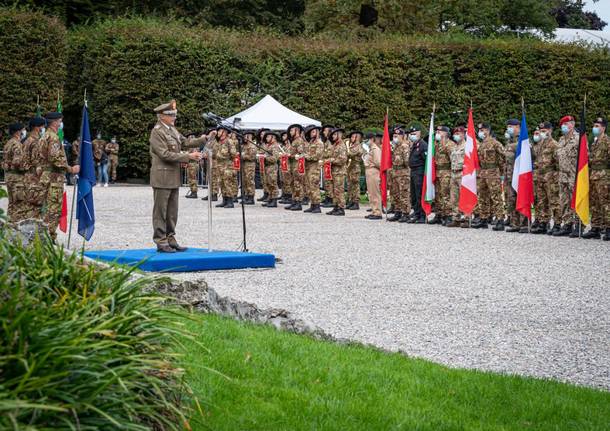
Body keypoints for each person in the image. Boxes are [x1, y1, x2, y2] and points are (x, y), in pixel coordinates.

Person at [149, 100, 204, 253]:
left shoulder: (172, 129)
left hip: (173, 177)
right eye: (170, 114)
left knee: (172, 212)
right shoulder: (157, 132)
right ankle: (161, 240)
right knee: (161, 211)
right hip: (162, 177)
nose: (174, 117)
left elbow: (185, 142)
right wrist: (188, 156)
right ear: (161, 116)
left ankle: (171, 238)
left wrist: (204, 139)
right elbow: (164, 154)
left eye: (174, 114)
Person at [38, 112, 80, 240]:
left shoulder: (44, 136)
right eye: (60, 120)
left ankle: (43, 236)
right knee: (53, 210)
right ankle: (48, 239)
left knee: (46, 209)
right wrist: (71, 169)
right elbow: (55, 159)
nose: (61, 123)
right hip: (53, 178)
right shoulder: (53, 138)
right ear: (55, 122)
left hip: (46, 177)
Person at [583, 116, 609, 240]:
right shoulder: (594, 142)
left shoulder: (607, 141)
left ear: (603, 128)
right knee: (594, 203)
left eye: (597, 126)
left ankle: (608, 228)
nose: (594, 128)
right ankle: (596, 227)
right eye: (594, 126)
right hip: (593, 176)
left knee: (605, 203)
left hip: (604, 177)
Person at [475, 123, 505, 229]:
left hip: (493, 173)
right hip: (483, 173)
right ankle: (484, 218)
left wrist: (501, 171)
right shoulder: (481, 144)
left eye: (483, 130)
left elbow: (504, 156)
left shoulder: (495, 143)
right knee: (482, 197)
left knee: (496, 197)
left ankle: (500, 219)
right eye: (479, 130)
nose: (481, 132)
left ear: (488, 130)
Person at [531, 122, 559, 235]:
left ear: (550, 131)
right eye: (541, 131)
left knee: (553, 201)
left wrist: (555, 176)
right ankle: (543, 222)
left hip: (550, 176)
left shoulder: (554, 145)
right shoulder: (540, 144)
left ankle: (557, 224)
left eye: (544, 131)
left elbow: (558, 163)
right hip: (539, 176)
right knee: (541, 201)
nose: (542, 133)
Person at [553, 115, 580, 237]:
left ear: (572, 124)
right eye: (563, 124)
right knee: (564, 201)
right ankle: (568, 224)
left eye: (567, 124)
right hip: (562, 176)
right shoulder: (561, 140)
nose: (564, 126)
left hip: (574, 175)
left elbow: (585, 157)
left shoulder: (579, 139)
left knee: (576, 200)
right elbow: (556, 156)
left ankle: (579, 225)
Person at [22, 116, 47, 220]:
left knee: (28, 208)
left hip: (27, 177)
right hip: (34, 179)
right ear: (37, 127)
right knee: (35, 211)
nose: (43, 129)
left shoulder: (26, 140)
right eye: (42, 126)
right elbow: (37, 163)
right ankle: (33, 235)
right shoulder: (35, 141)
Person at [2, 122, 27, 222]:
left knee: (12, 204)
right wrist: (27, 167)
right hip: (17, 178)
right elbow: (18, 162)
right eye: (22, 130)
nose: (24, 132)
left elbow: (5, 162)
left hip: (9, 177)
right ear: (18, 132)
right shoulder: (17, 144)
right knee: (19, 205)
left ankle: (9, 227)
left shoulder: (8, 143)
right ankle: (14, 230)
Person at [503, 119, 524, 232]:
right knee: (511, 199)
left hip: (520, 176)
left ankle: (524, 223)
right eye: (508, 126)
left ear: (518, 127)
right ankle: (515, 223)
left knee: (520, 198)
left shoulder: (523, 140)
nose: (509, 128)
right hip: (510, 176)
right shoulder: (509, 141)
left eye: (511, 126)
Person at [388, 128, 410, 222]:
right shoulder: (395, 146)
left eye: (397, 136)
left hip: (403, 173)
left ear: (402, 136)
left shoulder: (404, 146)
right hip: (395, 173)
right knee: (395, 194)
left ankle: (405, 213)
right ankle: (397, 212)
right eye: (394, 136)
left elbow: (407, 161)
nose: (395, 138)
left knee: (404, 194)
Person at [433, 126, 453, 225]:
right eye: (437, 131)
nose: (437, 133)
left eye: (439, 131)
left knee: (446, 195)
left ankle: (448, 215)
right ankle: (439, 214)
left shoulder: (450, 145)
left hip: (446, 173)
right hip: (437, 173)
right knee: (438, 195)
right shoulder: (437, 144)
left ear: (445, 133)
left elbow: (452, 160)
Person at [406, 124, 427, 223]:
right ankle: (416, 213)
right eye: (411, 134)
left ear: (419, 134)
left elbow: (426, 160)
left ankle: (422, 215)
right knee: (413, 194)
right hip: (413, 171)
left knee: (419, 194)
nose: (412, 135)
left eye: (414, 134)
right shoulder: (415, 144)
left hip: (420, 172)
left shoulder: (423, 145)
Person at [446, 126, 466, 227]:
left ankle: (466, 218)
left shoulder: (467, 146)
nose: (456, 136)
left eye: (459, 134)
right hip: (453, 173)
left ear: (463, 134)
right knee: (454, 197)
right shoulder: (454, 146)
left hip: (463, 173)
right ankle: (456, 218)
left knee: (464, 196)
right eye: (455, 134)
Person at [301, 125, 324, 213]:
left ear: (318, 132)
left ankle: (317, 205)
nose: (311, 133)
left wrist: (305, 156)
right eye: (311, 132)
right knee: (309, 186)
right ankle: (313, 204)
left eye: (313, 132)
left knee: (314, 186)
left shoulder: (319, 143)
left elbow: (316, 156)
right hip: (308, 167)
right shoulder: (311, 142)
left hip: (314, 168)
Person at [325, 128, 348, 215]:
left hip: (339, 172)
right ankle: (336, 207)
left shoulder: (342, 145)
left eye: (335, 135)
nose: (333, 136)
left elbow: (343, 160)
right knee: (334, 190)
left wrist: (331, 160)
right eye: (333, 135)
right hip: (333, 171)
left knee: (339, 190)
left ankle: (341, 208)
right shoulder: (335, 145)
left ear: (339, 135)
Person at [285, 124, 307, 211]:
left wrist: (291, 155)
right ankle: (294, 200)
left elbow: (301, 153)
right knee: (293, 183)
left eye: (292, 131)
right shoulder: (293, 141)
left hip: (297, 165)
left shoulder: (299, 141)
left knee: (298, 184)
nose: (290, 133)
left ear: (297, 131)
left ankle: (298, 202)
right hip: (292, 164)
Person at [215, 125, 237, 208]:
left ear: (225, 132)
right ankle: (224, 200)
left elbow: (234, 154)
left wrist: (224, 157)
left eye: (220, 131)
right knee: (222, 183)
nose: (218, 133)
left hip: (227, 166)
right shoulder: (219, 142)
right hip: (220, 166)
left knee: (228, 184)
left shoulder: (229, 141)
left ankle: (230, 201)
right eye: (218, 131)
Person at [363, 132, 382, 220]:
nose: (365, 142)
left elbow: (378, 162)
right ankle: (374, 211)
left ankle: (377, 212)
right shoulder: (370, 149)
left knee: (375, 193)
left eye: (367, 140)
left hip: (373, 171)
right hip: (369, 171)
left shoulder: (375, 149)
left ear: (371, 139)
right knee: (371, 193)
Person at [261, 131, 281, 208]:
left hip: (272, 167)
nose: (266, 138)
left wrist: (265, 158)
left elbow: (275, 158)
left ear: (273, 138)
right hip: (267, 167)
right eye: (266, 137)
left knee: (272, 183)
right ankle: (270, 198)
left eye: (268, 137)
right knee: (268, 183)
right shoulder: (268, 146)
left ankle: (274, 200)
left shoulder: (275, 146)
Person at [346, 131, 364, 210]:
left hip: (355, 167)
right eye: (351, 137)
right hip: (350, 167)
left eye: (353, 137)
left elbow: (351, 154)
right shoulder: (351, 145)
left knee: (355, 185)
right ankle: (351, 200)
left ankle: (356, 202)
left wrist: (346, 151)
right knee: (350, 185)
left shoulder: (358, 146)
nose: (351, 138)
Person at [201, 129, 219, 201]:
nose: (211, 134)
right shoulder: (209, 141)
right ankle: (210, 193)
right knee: (210, 179)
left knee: (214, 179)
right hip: (209, 162)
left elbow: (215, 152)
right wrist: (204, 154)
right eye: (210, 133)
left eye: (213, 133)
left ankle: (214, 194)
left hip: (214, 162)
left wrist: (207, 154)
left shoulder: (216, 142)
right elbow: (205, 149)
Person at [240, 131, 258, 205]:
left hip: (250, 165)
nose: (244, 138)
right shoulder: (245, 146)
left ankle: (251, 197)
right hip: (244, 165)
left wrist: (242, 156)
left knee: (250, 181)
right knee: (245, 181)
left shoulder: (252, 146)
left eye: (246, 136)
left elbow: (252, 157)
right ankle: (247, 195)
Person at [321, 124, 335, 207]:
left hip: (329, 164)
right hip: (326, 164)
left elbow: (329, 153)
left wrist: (323, 156)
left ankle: (330, 199)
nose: (323, 132)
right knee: (326, 182)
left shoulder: (330, 142)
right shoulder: (326, 141)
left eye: (325, 131)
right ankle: (327, 197)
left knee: (329, 182)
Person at [256, 128, 271, 203]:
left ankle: (269, 194)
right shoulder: (260, 143)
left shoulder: (267, 143)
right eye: (261, 134)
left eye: (264, 134)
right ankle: (265, 193)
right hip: (261, 162)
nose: (263, 135)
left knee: (268, 179)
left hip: (267, 163)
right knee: (263, 179)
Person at [185, 133, 200, 199]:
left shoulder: (193, 146)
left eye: (189, 138)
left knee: (192, 179)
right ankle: (192, 192)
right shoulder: (194, 145)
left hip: (193, 164)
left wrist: (184, 154)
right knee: (190, 178)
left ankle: (194, 193)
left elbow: (190, 154)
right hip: (191, 163)